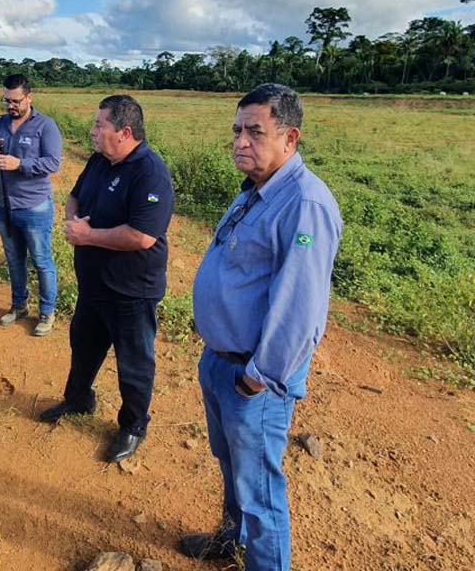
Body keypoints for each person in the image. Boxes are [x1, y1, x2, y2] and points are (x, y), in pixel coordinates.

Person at [183, 84, 342, 570]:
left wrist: (255, 379)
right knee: (231, 466)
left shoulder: (304, 204)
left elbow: (300, 311)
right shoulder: (256, 189)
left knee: (261, 493)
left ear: (290, 138)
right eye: (236, 130)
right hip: (221, 363)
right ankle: (232, 541)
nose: (240, 142)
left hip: (255, 382)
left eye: (255, 131)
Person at [38, 95, 175, 463]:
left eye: (100, 125)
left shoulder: (150, 173)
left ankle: (132, 426)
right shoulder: (100, 161)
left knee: (134, 363)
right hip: (94, 285)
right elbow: (74, 197)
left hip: (131, 291)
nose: (93, 131)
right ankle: (78, 400)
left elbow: (142, 236)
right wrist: (74, 220)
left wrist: (88, 236)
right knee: (83, 346)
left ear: (124, 132)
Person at [0, 74, 62, 336]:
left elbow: (53, 163)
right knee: (14, 261)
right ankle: (19, 306)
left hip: (35, 208)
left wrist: (20, 164)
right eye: (7, 100)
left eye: (16, 101)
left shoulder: (45, 126)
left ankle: (46, 312)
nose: (11, 105)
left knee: (42, 261)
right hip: (6, 207)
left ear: (29, 97)